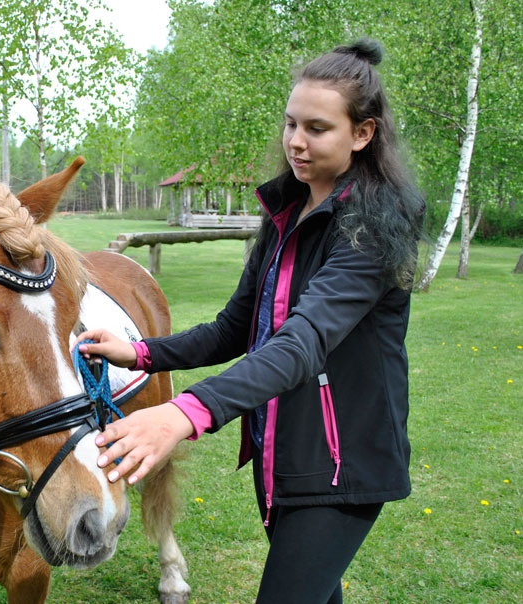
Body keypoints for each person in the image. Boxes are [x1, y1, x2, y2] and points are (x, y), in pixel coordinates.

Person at [75, 39, 425, 604]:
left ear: (362, 134)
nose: (296, 141)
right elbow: (235, 326)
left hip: (341, 466)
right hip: (285, 456)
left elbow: (303, 341)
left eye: (317, 127)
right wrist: (141, 353)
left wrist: (183, 414)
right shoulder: (288, 211)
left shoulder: (372, 226)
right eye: (290, 124)